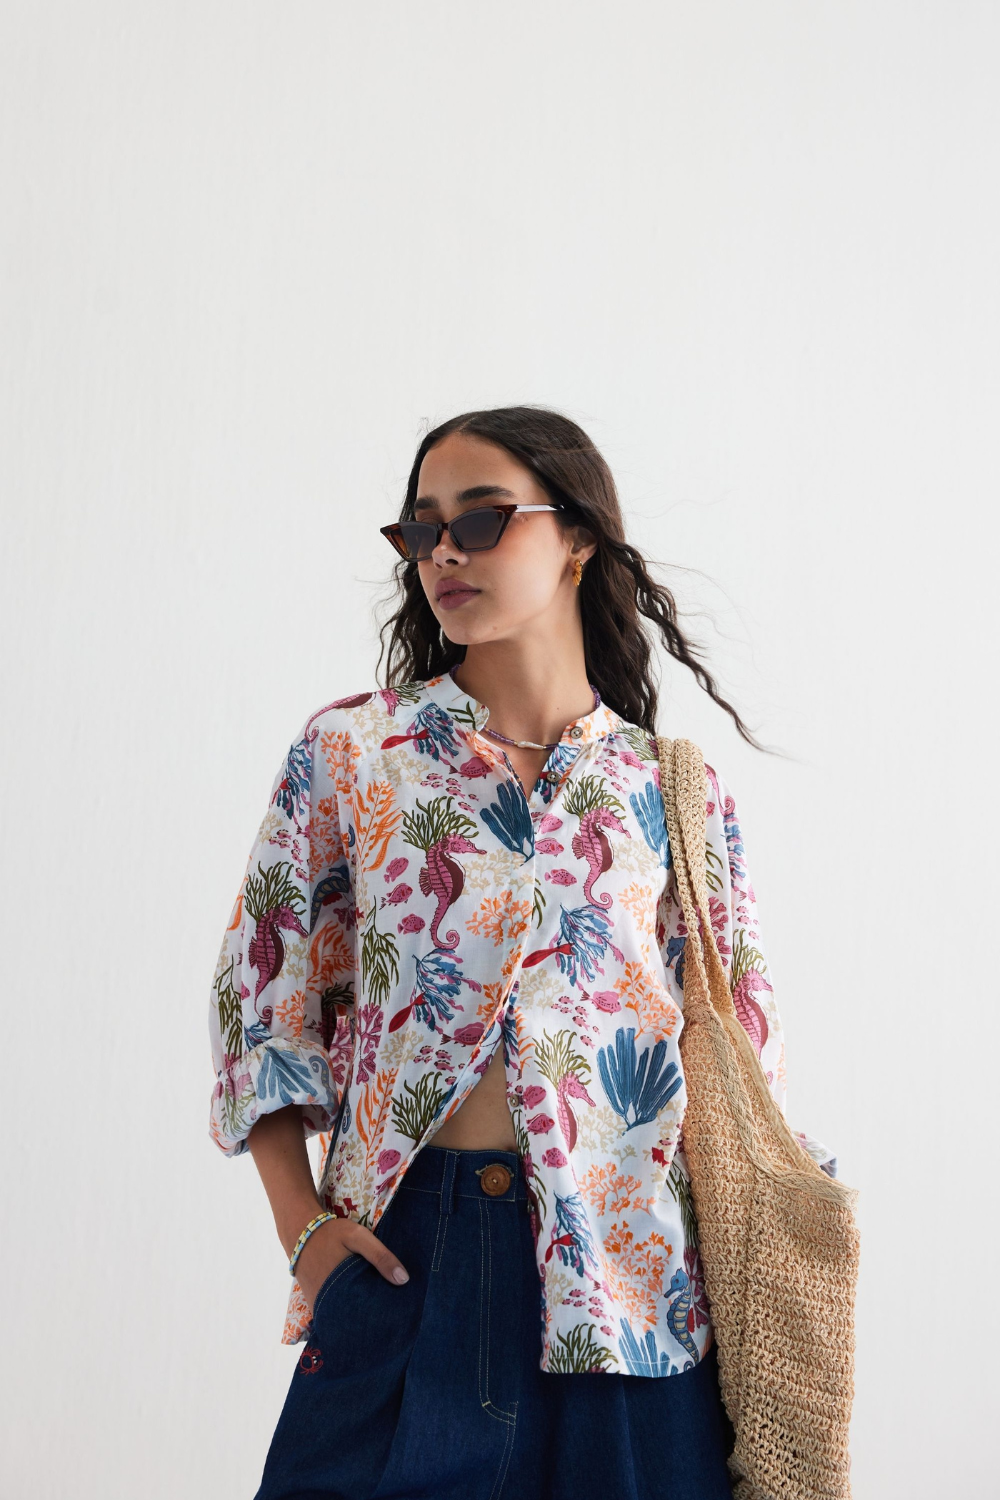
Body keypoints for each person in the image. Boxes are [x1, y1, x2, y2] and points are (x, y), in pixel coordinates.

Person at [208, 405, 835, 1500]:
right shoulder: (354, 752)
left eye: (482, 519)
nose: (443, 553)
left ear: (578, 538)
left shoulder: (670, 790)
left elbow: (744, 1053)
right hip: (406, 1256)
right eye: (421, 531)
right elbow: (261, 1002)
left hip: (631, 1286)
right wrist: (301, 1228)